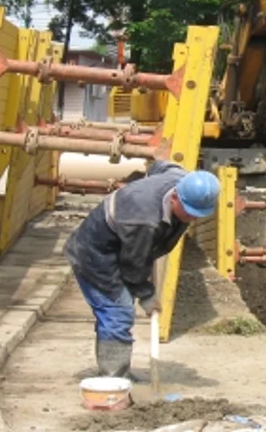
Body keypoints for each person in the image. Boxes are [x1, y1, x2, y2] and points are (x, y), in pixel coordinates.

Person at [63, 161, 221, 378]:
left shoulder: (181, 179)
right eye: (189, 212)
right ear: (174, 197)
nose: (193, 218)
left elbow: (161, 166)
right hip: (96, 254)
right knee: (118, 312)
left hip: (123, 244)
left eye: (198, 214)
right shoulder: (143, 220)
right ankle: (113, 380)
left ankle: (114, 371)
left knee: (117, 311)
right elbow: (133, 266)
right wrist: (146, 294)